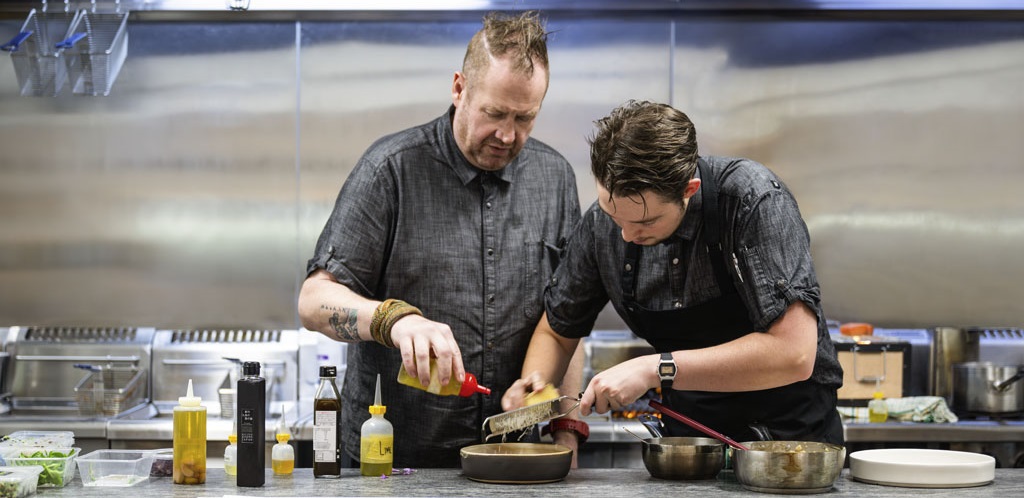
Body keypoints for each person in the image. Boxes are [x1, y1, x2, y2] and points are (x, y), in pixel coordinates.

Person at [298, 11, 584, 468]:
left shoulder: (556, 179)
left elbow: (567, 319)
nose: (507, 135)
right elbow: (314, 301)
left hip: (512, 462)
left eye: (525, 118)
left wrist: (566, 431)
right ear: (459, 88)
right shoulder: (391, 169)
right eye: (494, 113)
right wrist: (394, 321)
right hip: (389, 465)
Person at [503, 100, 844, 446]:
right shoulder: (602, 226)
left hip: (789, 445)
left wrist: (656, 368)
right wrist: (536, 387)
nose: (625, 234)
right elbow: (558, 331)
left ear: (688, 190)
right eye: (613, 214)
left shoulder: (750, 200)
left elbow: (794, 354)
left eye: (646, 221)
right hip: (691, 446)